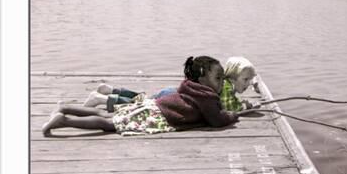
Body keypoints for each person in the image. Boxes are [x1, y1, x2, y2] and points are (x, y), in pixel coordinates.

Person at [42, 56, 238, 137]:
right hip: (158, 116)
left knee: (109, 115)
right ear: (202, 78)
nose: (221, 83)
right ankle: (64, 120)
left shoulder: (188, 86)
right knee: (109, 124)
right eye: (218, 78)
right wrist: (232, 116)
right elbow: (216, 120)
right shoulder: (207, 97)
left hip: (154, 105)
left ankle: (66, 108)